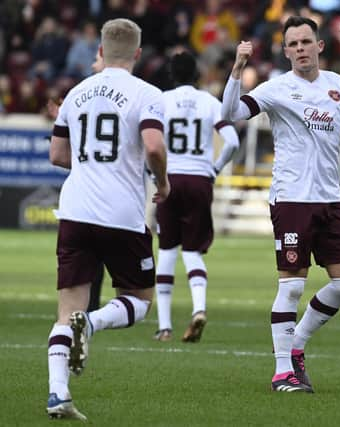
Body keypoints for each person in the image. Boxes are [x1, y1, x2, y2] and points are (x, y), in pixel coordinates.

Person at [221, 16, 340, 393]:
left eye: (305, 42)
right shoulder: (276, 89)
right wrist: (237, 69)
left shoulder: (338, 85)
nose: (299, 49)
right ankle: (283, 372)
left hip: (330, 198)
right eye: (292, 44)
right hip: (292, 198)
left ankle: (295, 345)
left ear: (319, 46)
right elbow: (230, 114)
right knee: (292, 286)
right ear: (285, 52)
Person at [46, 18, 169, 420]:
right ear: (137, 53)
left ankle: (58, 395)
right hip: (121, 213)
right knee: (140, 300)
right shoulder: (147, 93)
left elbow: (58, 156)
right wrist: (162, 183)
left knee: (66, 310)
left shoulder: (76, 93)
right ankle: (94, 323)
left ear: (100, 50)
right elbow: (153, 147)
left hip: (75, 209)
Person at [153, 51, 239, 343]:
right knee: (192, 251)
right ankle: (198, 309)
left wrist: (152, 174)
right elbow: (233, 142)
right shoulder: (209, 103)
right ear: (197, 75)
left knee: (166, 250)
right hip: (200, 179)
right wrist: (214, 168)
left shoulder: (161, 101)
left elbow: (145, 142)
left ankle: (164, 327)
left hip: (170, 178)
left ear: (171, 75)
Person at [46, 49, 107, 313]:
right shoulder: (136, 94)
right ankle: (92, 313)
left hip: (80, 196)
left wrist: (62, 117)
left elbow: (58, 155)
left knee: (82, 257)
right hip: (116, 196)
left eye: (97, 58)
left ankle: (78, 315)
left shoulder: (78, 95)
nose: (93, 63)